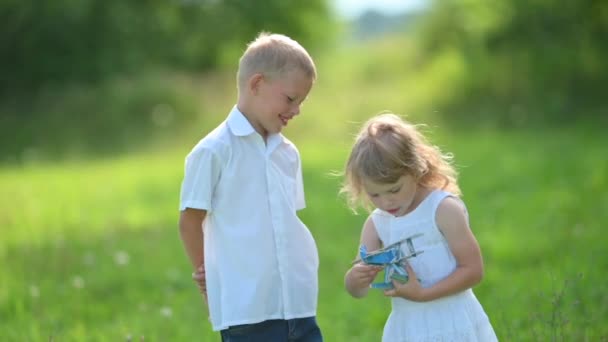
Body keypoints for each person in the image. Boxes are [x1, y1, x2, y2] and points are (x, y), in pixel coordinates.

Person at [178, 32, 323, 342]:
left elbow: (283, 224)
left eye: (302, 101)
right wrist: (206, 274)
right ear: (256, 84)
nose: (296, 110)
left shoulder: (287, 153)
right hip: (248, 312)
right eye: (290, 98)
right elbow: (190, 220)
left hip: (297, 305)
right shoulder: (213, 151)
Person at [341, 113, 497, 341]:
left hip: (453, 321)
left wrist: (423, 294)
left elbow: (473, 270)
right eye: (374, 194)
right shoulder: (377, 223)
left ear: (415, 170)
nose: (386, 202)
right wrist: (355, 279)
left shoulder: (442, 210)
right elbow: (359, 289)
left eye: (394, 190)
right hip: (408, 329)